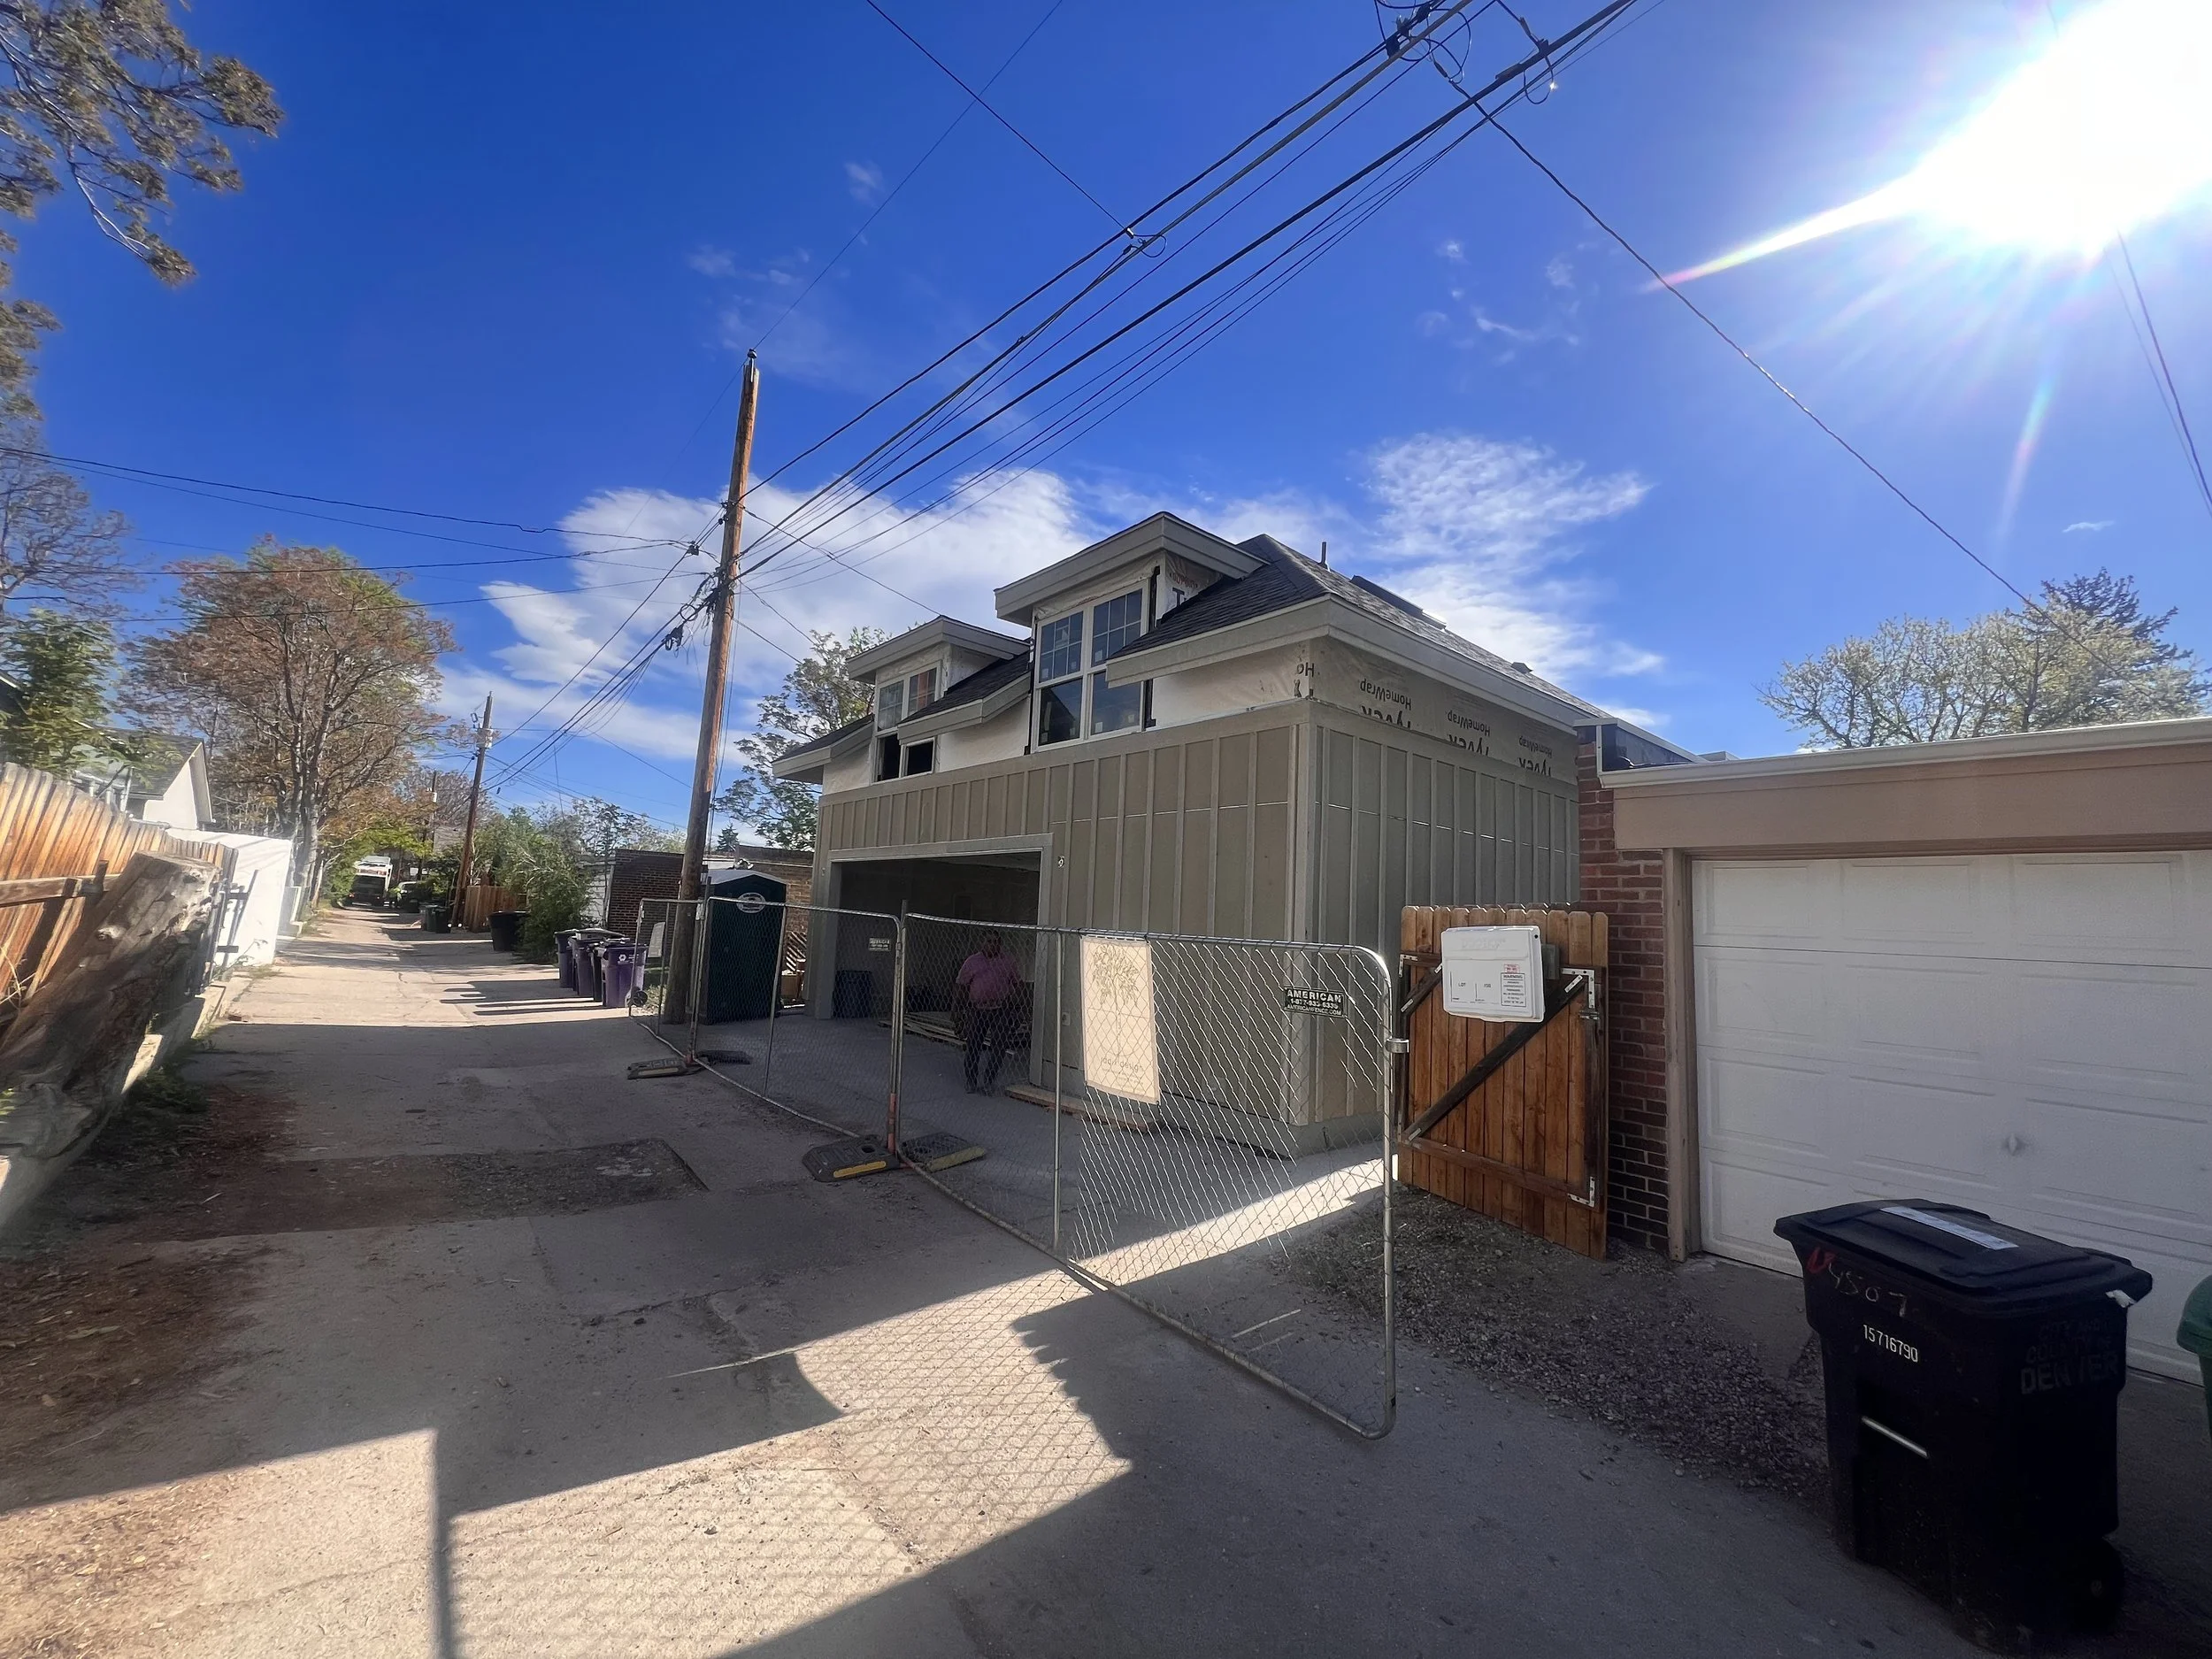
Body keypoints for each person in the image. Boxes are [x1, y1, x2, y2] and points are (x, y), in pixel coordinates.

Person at [954, 931, 1022, 1094]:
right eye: (989, 941)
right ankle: (971, 1080)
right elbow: (961, 986)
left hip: (1000, 1009)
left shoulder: (1007, 961)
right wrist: (957, 1010)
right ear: (982, 943)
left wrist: (1019, 1007)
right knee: (974, 1046)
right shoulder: (972, 961)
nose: (993, 945)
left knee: (999, 1047)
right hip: (977, 1009)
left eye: (996, 942)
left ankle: (989, 1081)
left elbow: (1018, 983)